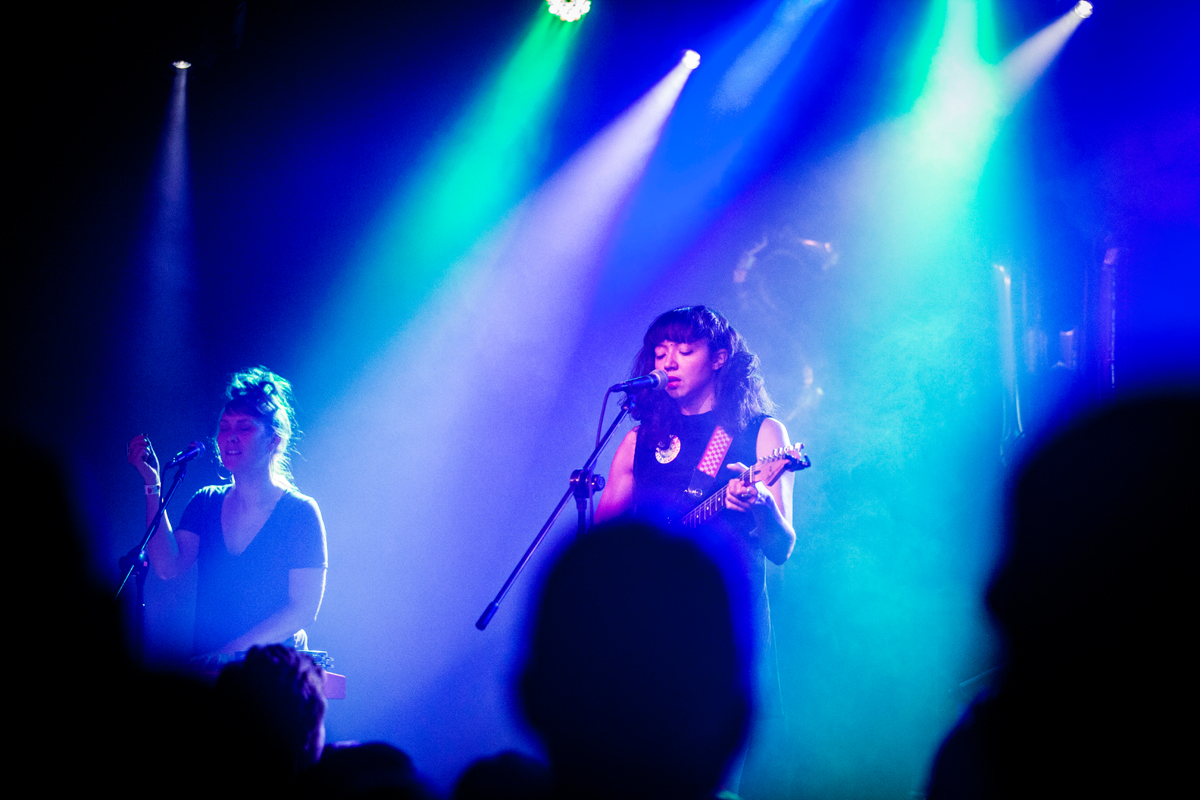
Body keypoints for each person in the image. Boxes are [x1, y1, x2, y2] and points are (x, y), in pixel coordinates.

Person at [128, 367, 327, 657]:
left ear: (274, 440)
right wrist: (153, 485)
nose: (230, 436)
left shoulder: (301, 513)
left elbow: (304, 609)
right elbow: (167, 566)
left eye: (244, 427)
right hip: (212, 669)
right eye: (225, 427)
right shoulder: (206, 502)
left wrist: (232, 654)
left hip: (270, 674)